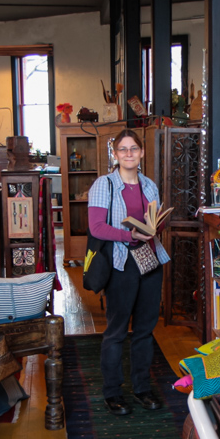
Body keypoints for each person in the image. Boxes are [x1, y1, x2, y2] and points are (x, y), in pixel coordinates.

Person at [87, 129, 170, 416]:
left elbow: (155, 220)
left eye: (133, 148)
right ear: (115, 153)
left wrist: (154, 228)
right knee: (117, 331)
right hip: (121, 264)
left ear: (141, 153)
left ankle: (142, 389)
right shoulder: (104, 185)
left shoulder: (149, 185)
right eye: (123, 149)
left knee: (145, 331)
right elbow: (96, 227)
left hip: (150, 262)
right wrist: (129, 235)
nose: (129, 153)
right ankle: (112, 393)